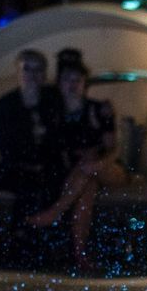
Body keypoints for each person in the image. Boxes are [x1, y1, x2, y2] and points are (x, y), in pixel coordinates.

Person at [27, 49, 127, 274]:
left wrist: (99, 163)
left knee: (90, 163)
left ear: (84, 83)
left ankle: (55, 211)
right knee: (87, 186)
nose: (72, 85)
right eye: (67, 80)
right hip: (82, 173)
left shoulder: (99, 109)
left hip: (109, 169)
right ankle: (81, 256)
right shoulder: (54, 113)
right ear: (59, 83)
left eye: (77, 80)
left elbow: (113, 150)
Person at [0, 49, 64, 201]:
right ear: (18, 72)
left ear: (44, 74)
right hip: (19, 169)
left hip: (51, 169)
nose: (32, 74)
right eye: (26, 69)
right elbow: (6, 148)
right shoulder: (5, 105)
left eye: (38, 69)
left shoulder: (54, 98)